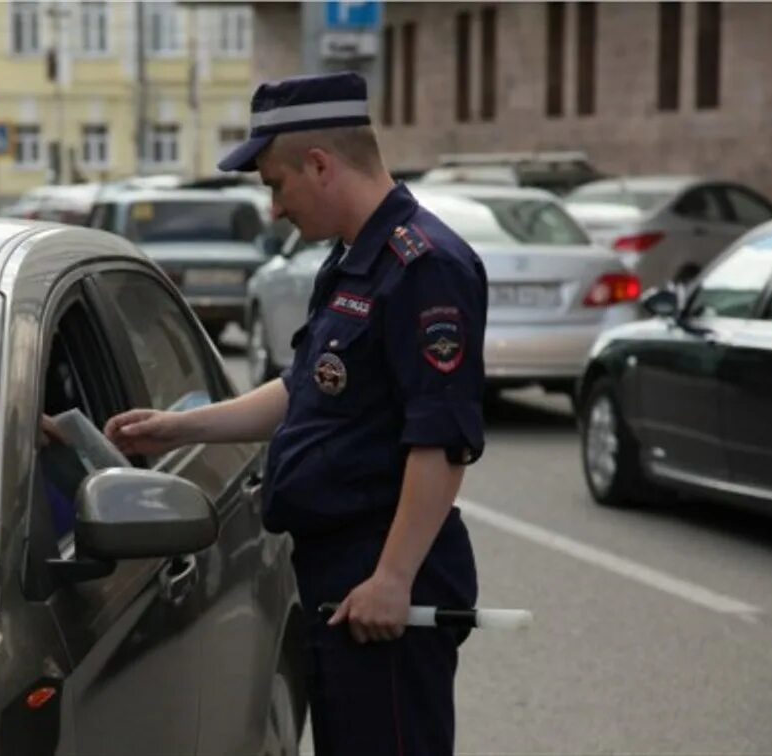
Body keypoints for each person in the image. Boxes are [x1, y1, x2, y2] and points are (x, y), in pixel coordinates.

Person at [104, 71, 487, 756]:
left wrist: (392, 580)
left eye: (276, 185)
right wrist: (178, 427)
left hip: (381, 579)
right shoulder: (349, 263)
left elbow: (441, 443)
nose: (275, 209)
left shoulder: (423, 267)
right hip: (341, 574)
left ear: (320, 164)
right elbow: (308, 388)